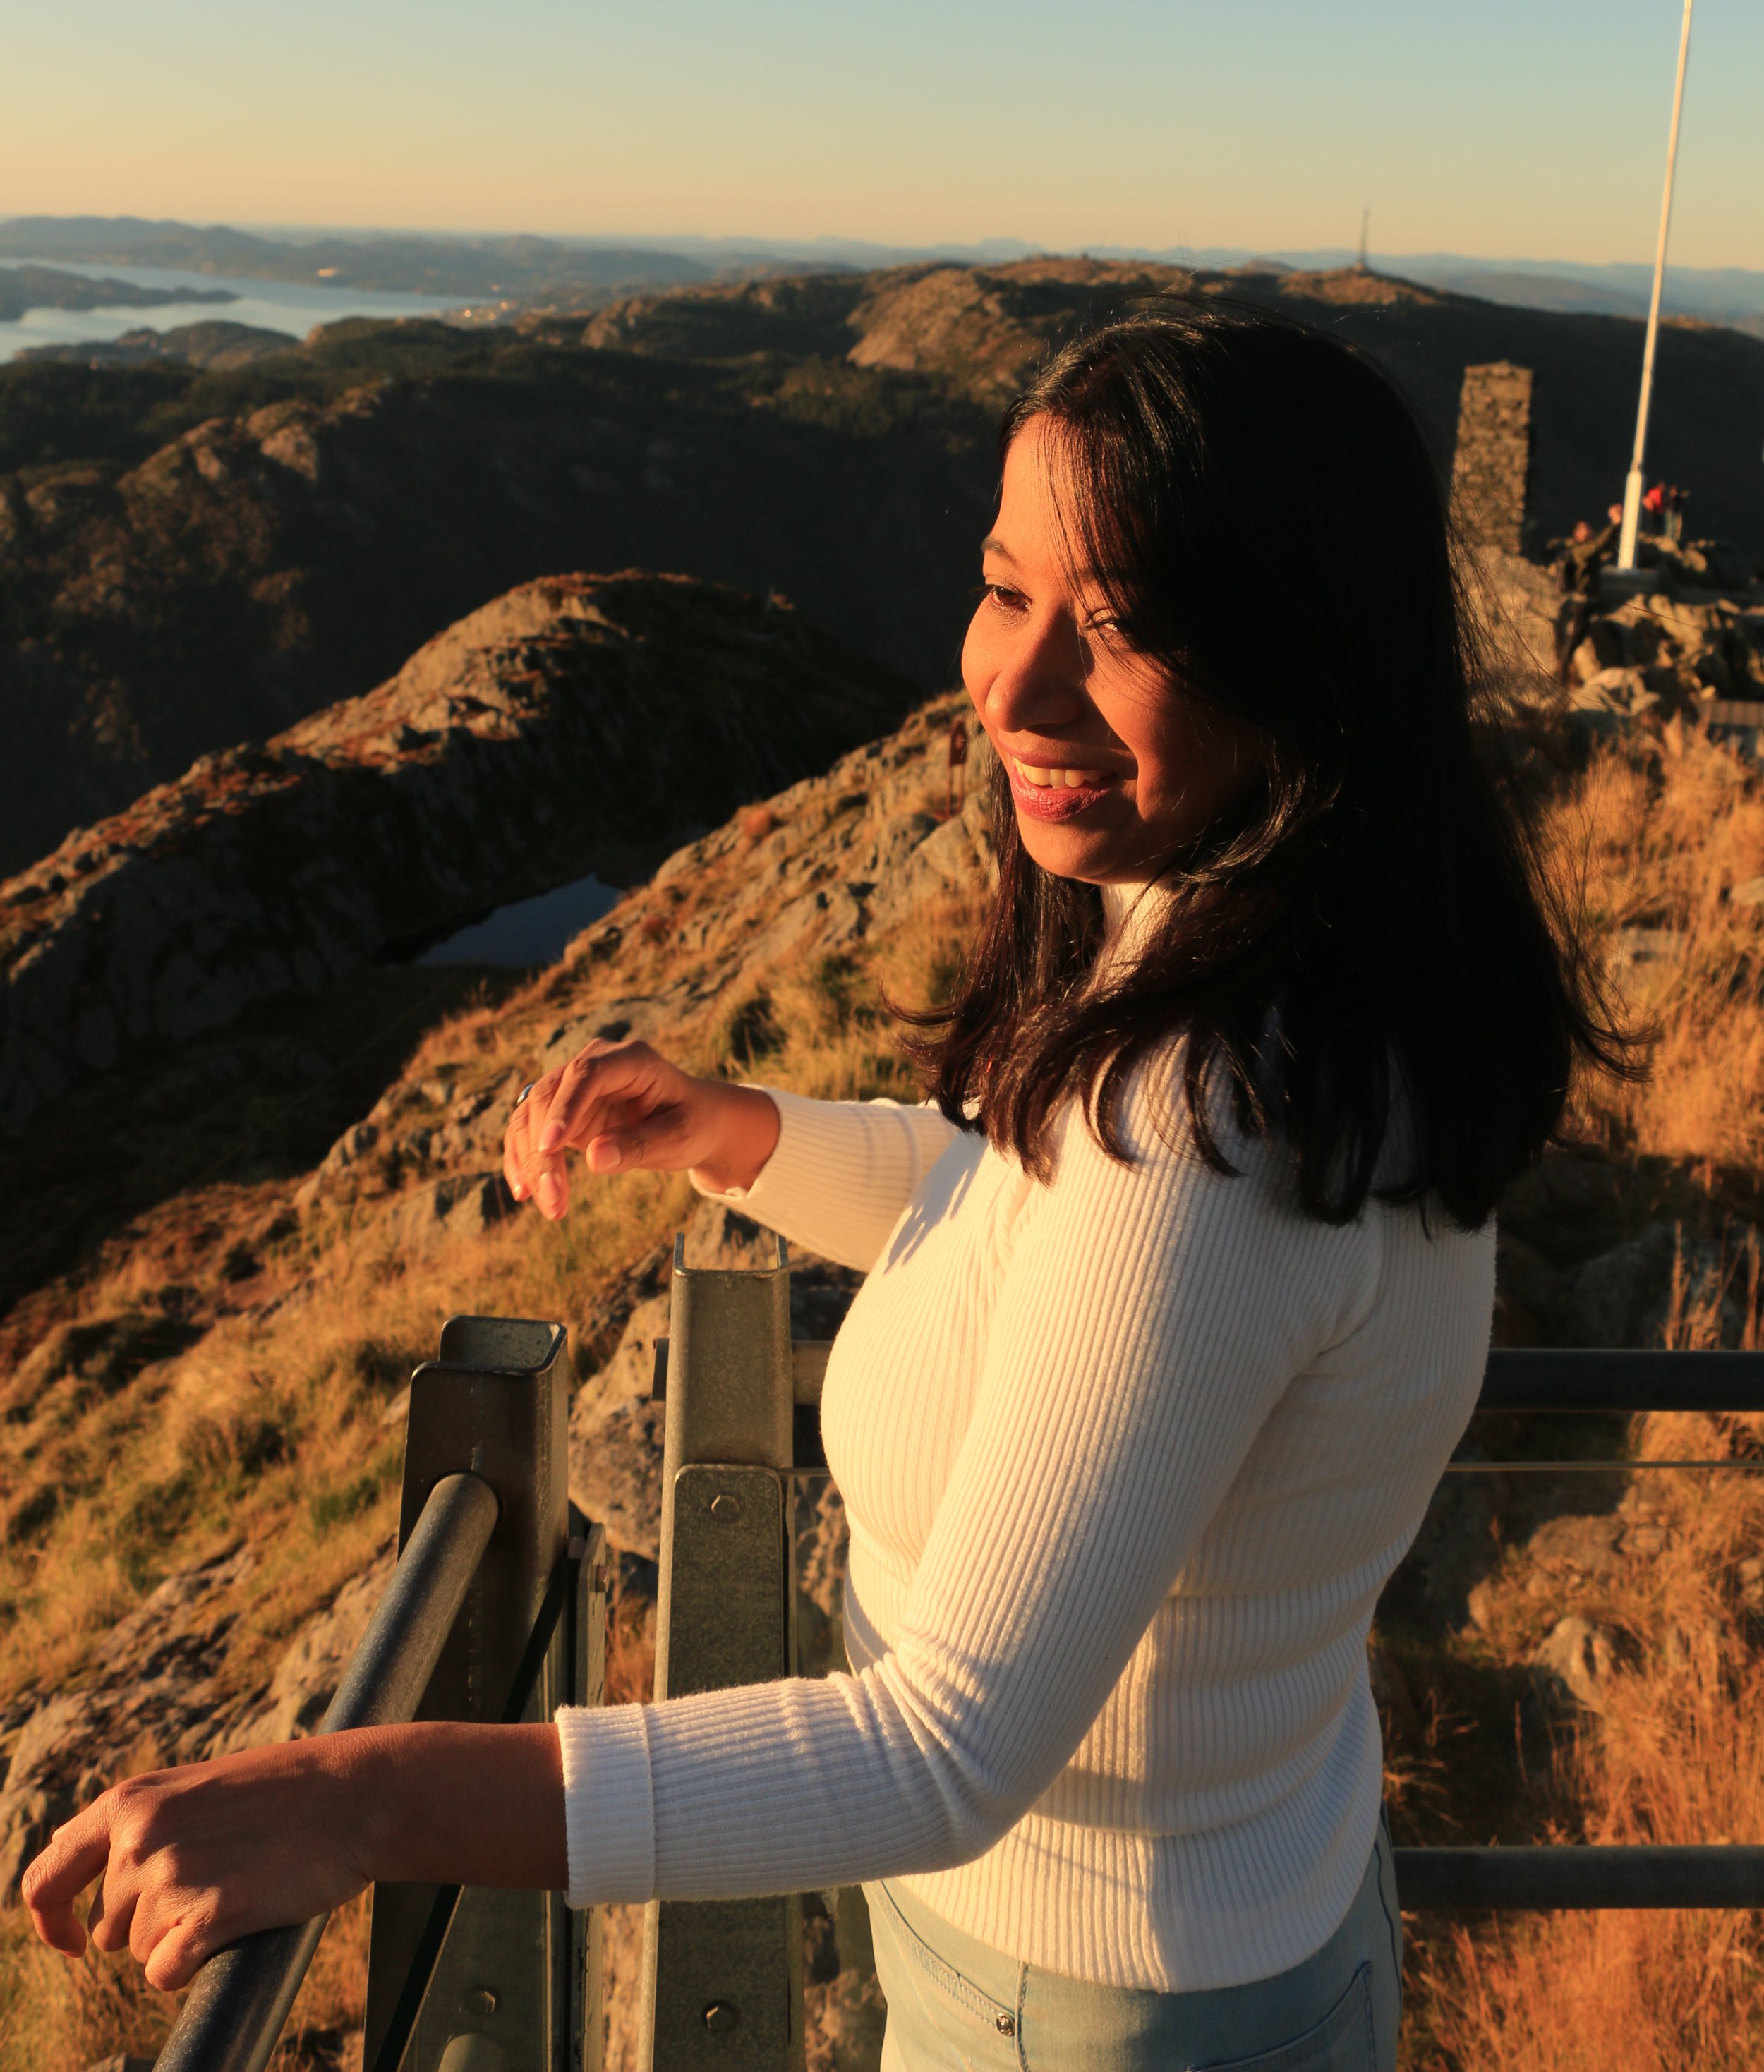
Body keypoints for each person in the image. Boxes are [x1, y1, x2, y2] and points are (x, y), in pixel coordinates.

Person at [24, 313, 1619, 2071]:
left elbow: (937, 1750)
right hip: (1242, 1917)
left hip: (1089, 2007)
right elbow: (1039, 1221)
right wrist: (743, 1132)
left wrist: (362, 1795)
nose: (1009, 690)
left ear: (1299, 659)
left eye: (1126, 624)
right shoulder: (1304, 968)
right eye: (1007, 588)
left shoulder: (1206, 1125)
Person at [1547, 515, 1618, 682]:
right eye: (1585, 527)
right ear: (1577, 534)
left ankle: (1564, 668)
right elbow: (1599, 544)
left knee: (1580, 634)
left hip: (1589, 600)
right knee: (1576, 636)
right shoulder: (1579, 551)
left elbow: (1605, 543)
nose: (1590, 529)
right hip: (1582, 601)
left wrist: (1616, 528)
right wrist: (1615, 523)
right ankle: (1563, 669)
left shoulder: (1585, 549)